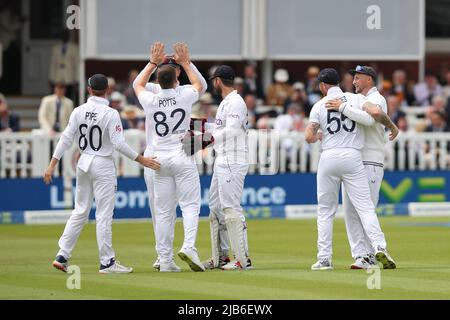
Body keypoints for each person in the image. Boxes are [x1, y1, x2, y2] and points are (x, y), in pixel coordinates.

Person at [44, 74, 160, 274]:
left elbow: (66, 138)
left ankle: (62, 255)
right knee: (104, 214)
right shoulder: (110, 113)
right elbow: (118, 144)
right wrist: (142, 160)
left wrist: (52, 164)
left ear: (89, 90)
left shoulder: (79, 111)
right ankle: (107, 262)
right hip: (102, 163)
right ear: (107, 90)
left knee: (80, 211)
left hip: (83, 163)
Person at [305, 68, 396, 271]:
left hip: (329, 156)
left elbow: (308, 137)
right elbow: (372, 116)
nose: (354, 80)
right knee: (364, 208)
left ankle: (325, 259)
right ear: (340, 82)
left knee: (326, 211)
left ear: (322, 86)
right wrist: (392, 126)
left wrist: (320, 134)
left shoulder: (319, 104)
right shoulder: (354, 98)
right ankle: (378, 246)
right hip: (354, 157)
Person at [133, 43, 207, 271]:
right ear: (176, 79)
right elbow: (200, 85)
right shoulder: (183, 94)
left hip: (158, 160)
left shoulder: (150, 99)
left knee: (163, 212)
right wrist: (186, 62)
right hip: (181, 155)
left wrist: (152, 62)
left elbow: (137, 84)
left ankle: (165, 259)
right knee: (190, 205)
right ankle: (187, 247)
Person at [194, 65, 252, 270]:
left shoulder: (235, 102)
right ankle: (222, 257)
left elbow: (233, 129)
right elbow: (221, 128)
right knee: (216, 208)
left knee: (231, 208)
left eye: (213, 81)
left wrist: (205, 140)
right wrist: (199, 126)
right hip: (223, 157)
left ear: (218, 80)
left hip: (233, 158)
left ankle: (242, 259)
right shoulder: (226, 103)